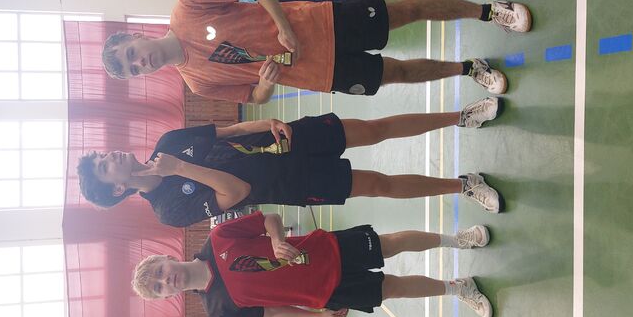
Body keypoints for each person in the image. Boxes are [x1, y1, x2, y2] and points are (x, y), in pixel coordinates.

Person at [101, 0, 531, 103]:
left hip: (320, 23)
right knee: (396, 73)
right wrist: (267, 82)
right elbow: (254, 98)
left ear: (135, 35)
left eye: (131, 54)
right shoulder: (197, 83)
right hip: (319, 74)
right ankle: (470, 69)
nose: (140, 62)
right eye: (134, 69)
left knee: (406, 12)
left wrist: (283, 24)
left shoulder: (186, 10)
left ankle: (489, 11)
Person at [76, 100, 506, 229]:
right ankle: (463, 185)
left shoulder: (168, 142)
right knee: (380, 184)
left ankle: (461, 116)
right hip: (289, 183)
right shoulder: (168, 210)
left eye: (102, 154)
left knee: (375, 129)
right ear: (117, 189)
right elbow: (237, 192)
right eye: (103, 167)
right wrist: (180, 170)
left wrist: (266, 123)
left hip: (287, 139)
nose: (109, 155)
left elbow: (227, 132)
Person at [131, 210, 494, 317]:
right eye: (160, 288)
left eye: (160, 272)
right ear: (167, 297)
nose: (167, 281)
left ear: (167, 258)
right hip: (326, 292)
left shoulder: (218, 238)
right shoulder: (217, 308)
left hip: (325, 249)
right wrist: (320, 316)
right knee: (393, 288)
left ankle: (458, 239)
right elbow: (273, 313)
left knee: (391, 244)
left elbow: (269, 219)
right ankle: (457, 287)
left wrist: (277, 239)